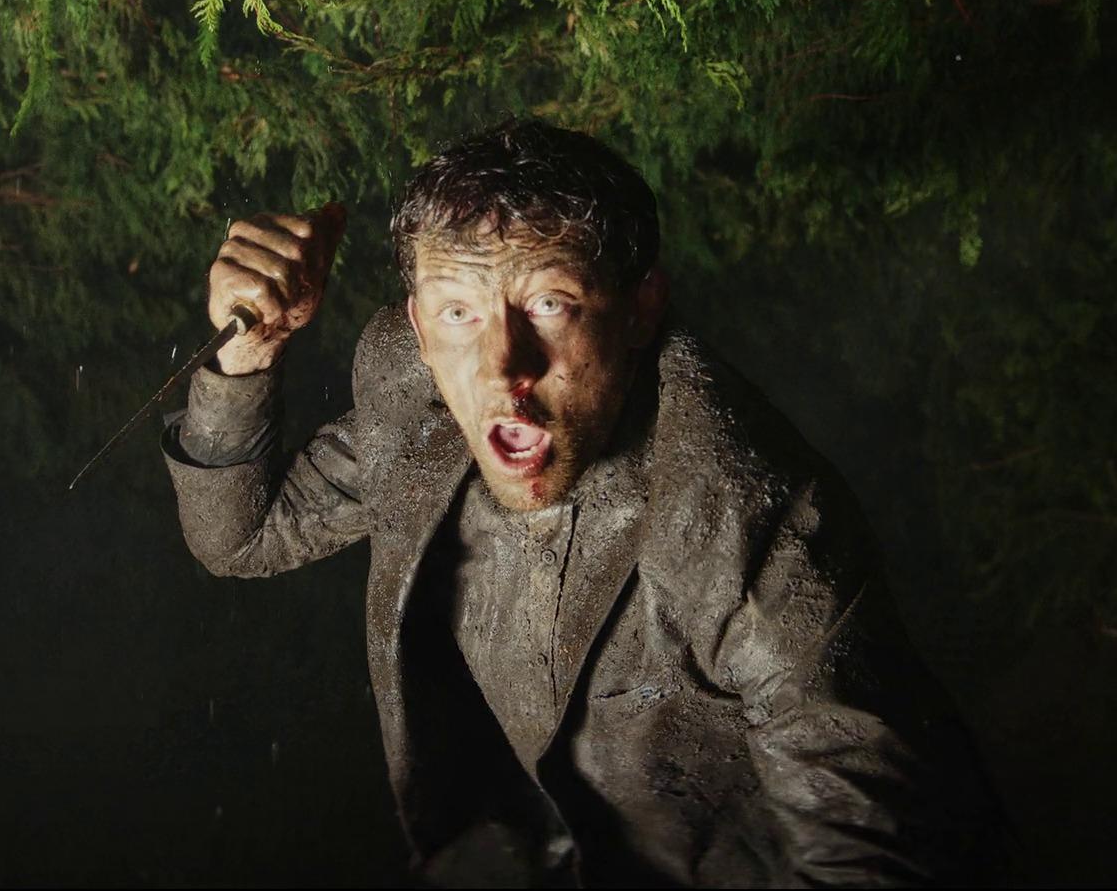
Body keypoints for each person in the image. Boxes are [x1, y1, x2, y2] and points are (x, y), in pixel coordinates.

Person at [162, 119, 1005, 887]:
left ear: (640, 310)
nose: (503, 367)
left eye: (549, 304)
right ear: (418, 326)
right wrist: (250, 354)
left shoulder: (747, 519)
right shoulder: (415, 396)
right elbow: (242, 537)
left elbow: (871, 853)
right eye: (459, 312)